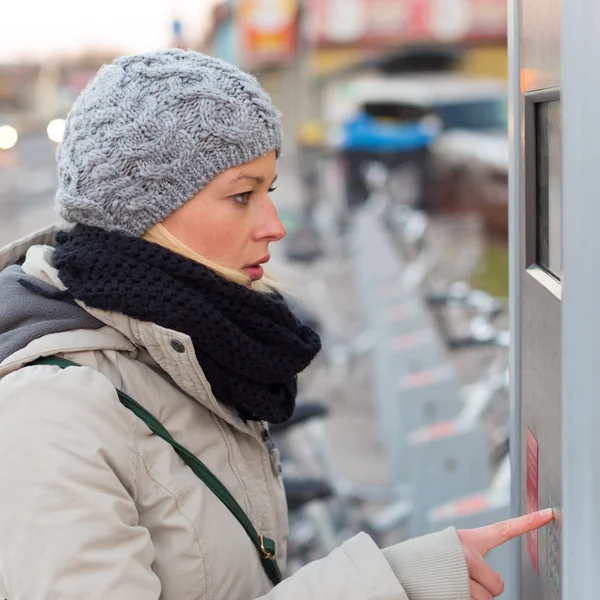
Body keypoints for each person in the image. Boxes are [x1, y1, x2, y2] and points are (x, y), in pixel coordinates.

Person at [0, 49, 551, 600]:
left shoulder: (184, 346)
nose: (274, 226)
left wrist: (409, 576)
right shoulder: (52, 408)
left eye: (271, 191)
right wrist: (390, 586)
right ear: (143, 210)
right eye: (243, 195)